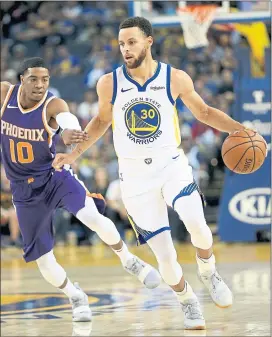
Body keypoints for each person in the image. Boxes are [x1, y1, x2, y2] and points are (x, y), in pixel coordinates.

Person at [53, 17, 250, 330]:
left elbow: (205, 113)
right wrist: (73, 155)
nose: (126, 49)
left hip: (170, 164)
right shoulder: (109, 83)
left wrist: (242, 130)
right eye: (121, 44)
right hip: (134, 178)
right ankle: (187, 301)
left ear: (148, 41)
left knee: (197, 223)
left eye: (132, 42)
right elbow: (101, 123)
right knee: (166, 258)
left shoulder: (174, 78)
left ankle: (208, 270)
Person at [0, 57, 161, 322]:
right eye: (33, 79)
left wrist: (70, 132)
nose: (40, 85)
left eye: (45, 79)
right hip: (23, 191)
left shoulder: (52, 104)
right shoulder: (5, 96)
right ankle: (75, 295)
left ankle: (128, 259)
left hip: (53, 176)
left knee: (92, 217)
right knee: (43, 261)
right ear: (21, 81)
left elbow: (67, 118)